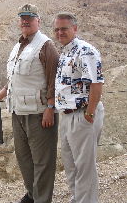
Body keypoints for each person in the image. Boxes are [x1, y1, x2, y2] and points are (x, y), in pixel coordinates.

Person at [0, 4, 59, 203]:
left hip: (39, 113)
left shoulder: (46, 45)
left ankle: (42, 199)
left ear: (38, 20)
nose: (25, 21)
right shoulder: (19, 45)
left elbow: (54, 78)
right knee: (24, 159)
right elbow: (14, 77)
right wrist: (1, 93)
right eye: (22, 18)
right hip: (18, 111)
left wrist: (50, 107)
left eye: (29, 17)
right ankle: (32, 194)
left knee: (43, 162)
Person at [53, 12, 104, 203]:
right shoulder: (65, 51)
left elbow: (96, 84)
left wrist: (89, 113)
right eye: (57, 29)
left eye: (64, 28)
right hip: (66, 116)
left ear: (75, 28)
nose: (60, 32)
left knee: (84, 167)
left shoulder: (86, 51)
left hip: (82, 114)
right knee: (71, 165)